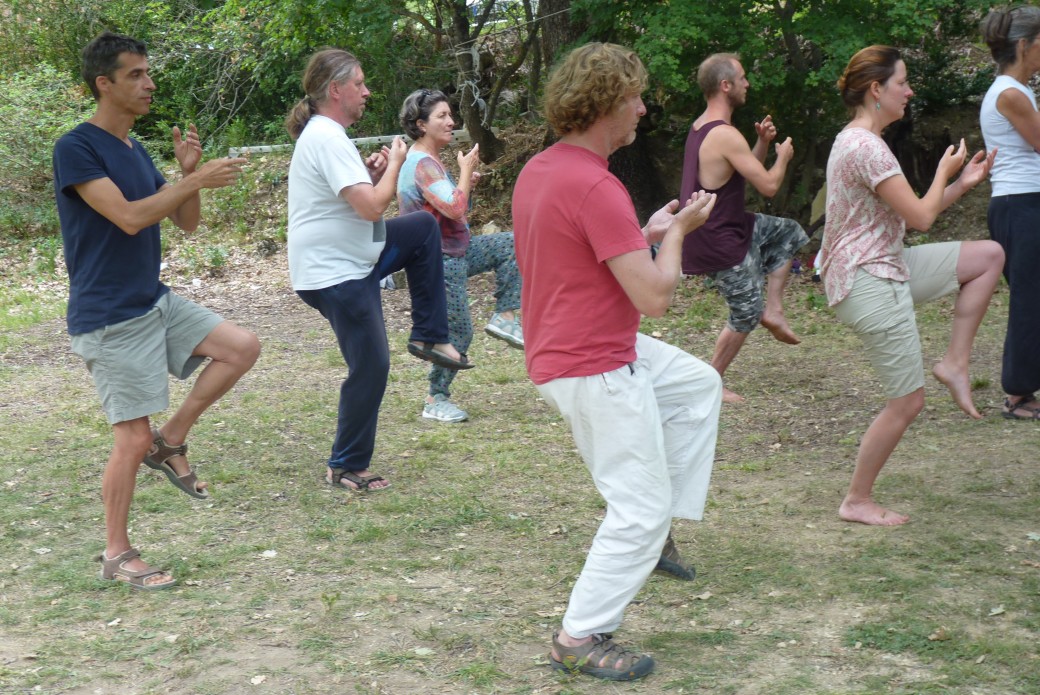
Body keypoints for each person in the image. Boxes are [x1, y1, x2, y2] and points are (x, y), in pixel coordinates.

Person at [513, 42, 722, 681]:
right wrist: (679, 237)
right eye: (633, 95)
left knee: (697, 385)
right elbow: (655, 296)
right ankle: (578, 637)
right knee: (636, 506)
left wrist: (648, 231)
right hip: (592, 362)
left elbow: (587, 248)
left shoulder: (544, 169)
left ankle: (655, 534)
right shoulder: (596, 185)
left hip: (573, 345)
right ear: (606, 103)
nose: (642, 107)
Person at [53, 32, 260, 589]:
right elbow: (127, 216)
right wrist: (191, 179)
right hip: (110, 315)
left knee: (241, 347)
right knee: (129, 439)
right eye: (137, 75)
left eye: (149, 73)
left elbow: (184, 222)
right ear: (105, 83)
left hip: (152, 298)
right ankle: (117, 554)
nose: (150, 83)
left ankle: (172, 442)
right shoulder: (78, 147)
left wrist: (183, 174)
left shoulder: (135, 148)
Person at [821, 45, 1003, 526]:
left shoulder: (862, 141)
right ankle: (856, 500)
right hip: (867, 279)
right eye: (903, 81)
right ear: (877, 89)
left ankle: (954, 363)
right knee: (907, 401)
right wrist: (945, 172)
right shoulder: (864, 146)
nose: (910, 90)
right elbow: (922, 216)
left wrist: (962, 183)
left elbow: (912, 213)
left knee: (988, 256)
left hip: (887, 263)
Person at [285, 49, 472, 492]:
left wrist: (376, 174)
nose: (367, 92)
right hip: (335, 272)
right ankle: (346, 465)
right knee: (371, 366)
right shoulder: (326, 137)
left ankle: (430, 333)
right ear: (335, 90)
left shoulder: (330, 136)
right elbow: (371, 208)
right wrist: (395, 166)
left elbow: (358, 197)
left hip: (357, 257)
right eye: (359, 84)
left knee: (422, 226)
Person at [680, 53, 809, 403]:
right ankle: (709, 385)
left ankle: (775, 309)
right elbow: (767, 186)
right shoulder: (725, 134)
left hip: (730, 224)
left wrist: (763, 144)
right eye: (742, 77)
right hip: (716, 238)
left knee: (787, 232)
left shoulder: (702, 126)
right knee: (744, 312)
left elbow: (737, 170)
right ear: (725, 85)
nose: (747, 83)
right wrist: (782, 156)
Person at [397, 89, 523, 423]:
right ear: (421, 124)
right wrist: (465, 171)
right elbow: (455, 207)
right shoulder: (422, 164)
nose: (451, 121)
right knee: (457, 334)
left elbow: (452, 208)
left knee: (513, 243)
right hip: (437, 259)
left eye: (451, 115)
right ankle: (435, 399)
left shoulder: (431, 162)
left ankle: (505, 317)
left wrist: (467, 181)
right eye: (442, 116)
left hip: (457, 250)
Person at [980, 7, 1040, 421]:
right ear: (1023, 45)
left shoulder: (1016, 89)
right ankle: (1018, 393)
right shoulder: (1010, 93)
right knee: (1029, 300)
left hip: (1024, 204)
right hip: (1021, 205)